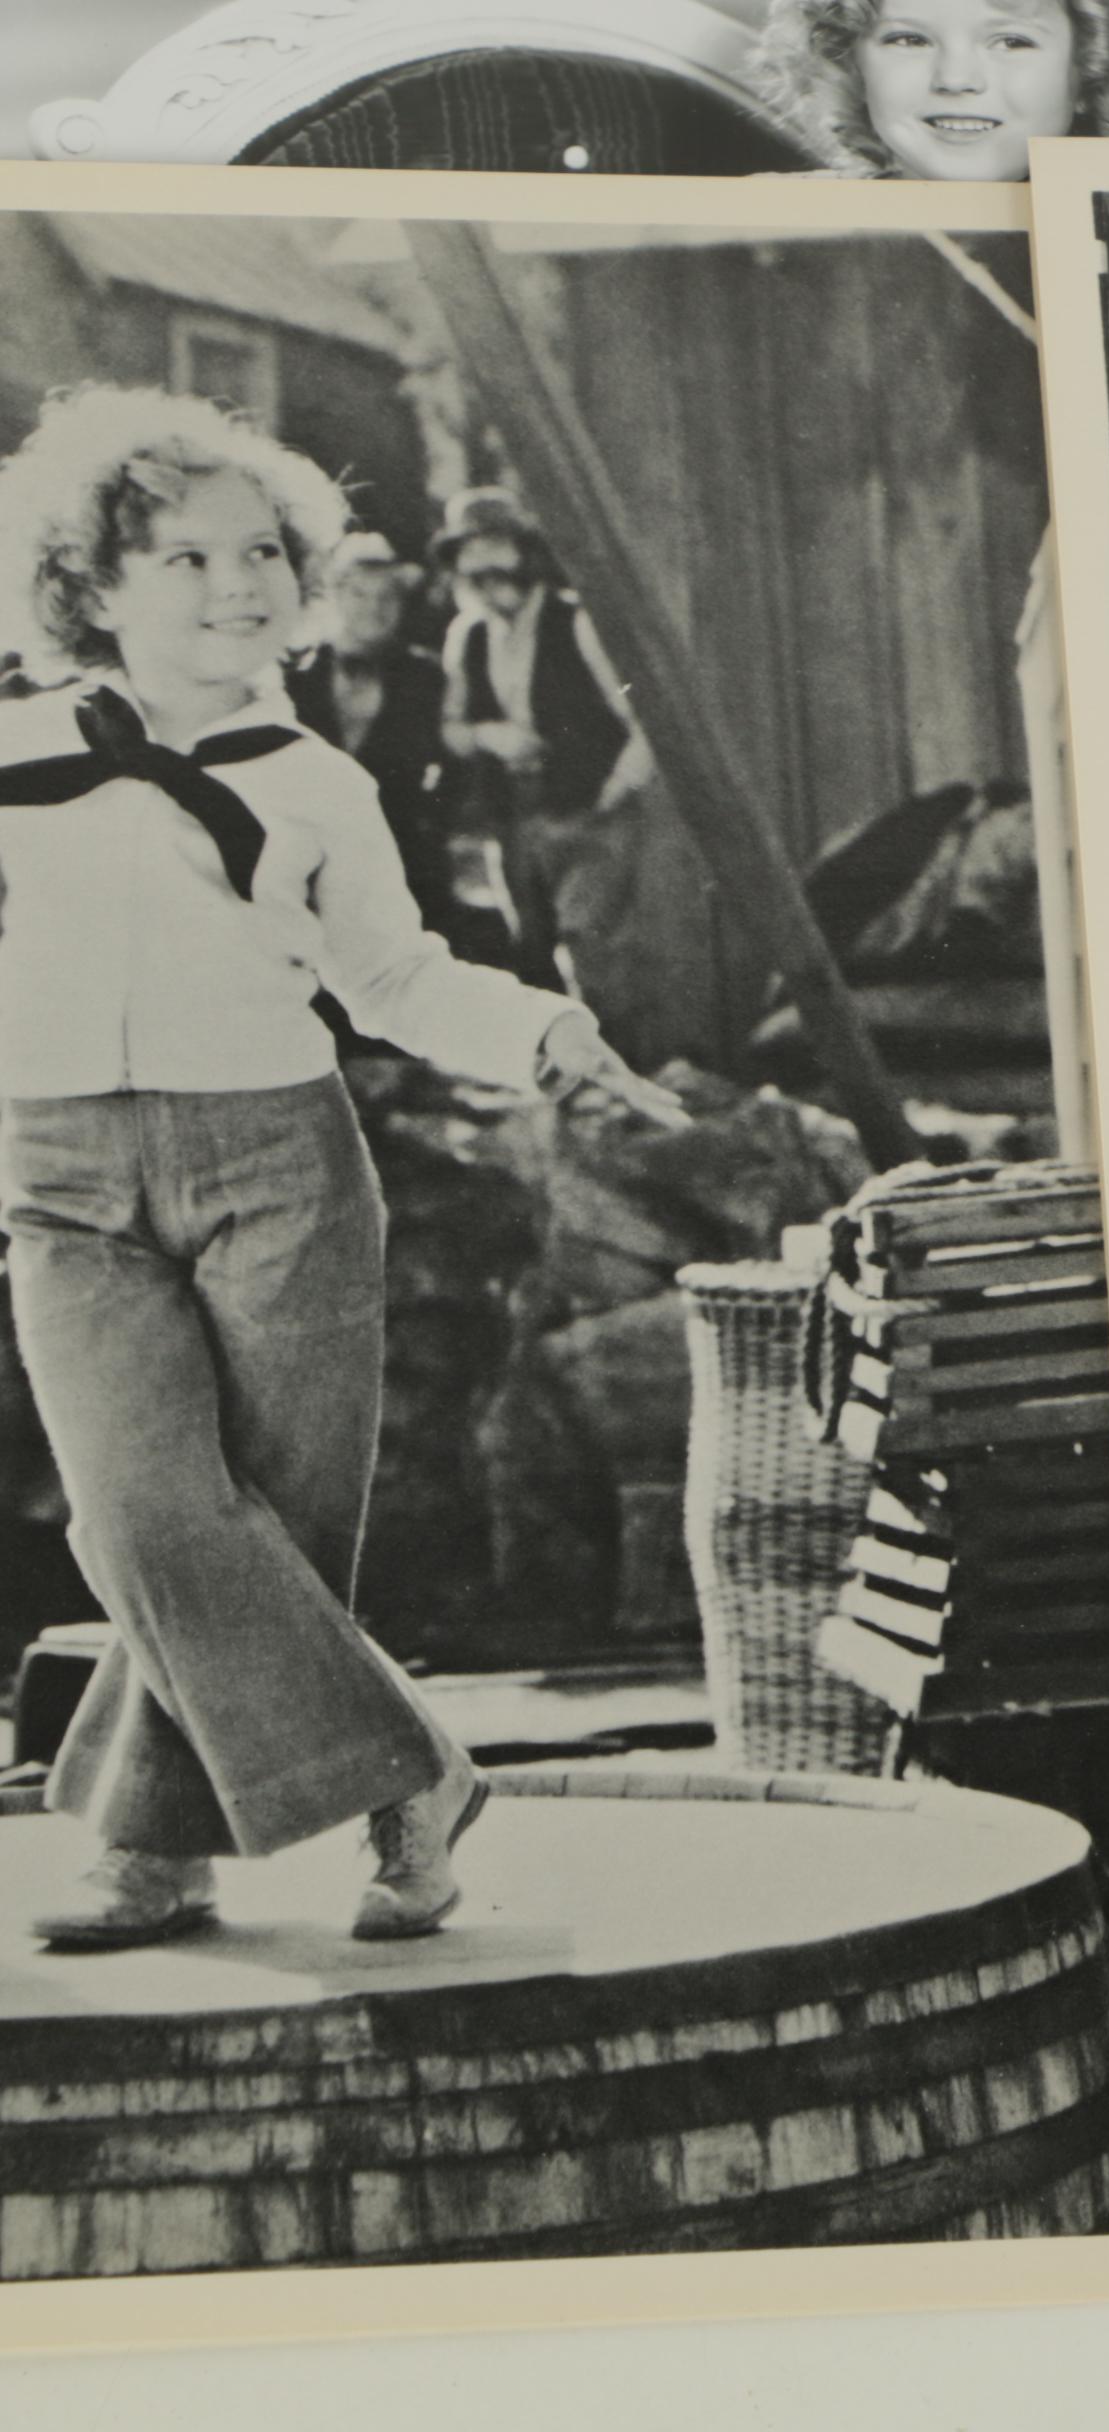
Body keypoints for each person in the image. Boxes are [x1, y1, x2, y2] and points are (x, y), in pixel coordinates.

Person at [0, 388, 685, 1951]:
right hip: (58, 1175)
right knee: (142, 1519)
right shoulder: (12, 755)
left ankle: (154, 1856)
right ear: (93, 584)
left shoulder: (317, 782)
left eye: (261, 553)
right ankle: (419, 1777)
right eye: (185, 558)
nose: (237, 585)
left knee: (269, 1534)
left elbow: (394, 978)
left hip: (280, 1173)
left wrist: (547, 1035)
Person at [432, 487, 648, 995]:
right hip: (513, 819)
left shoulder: (577, 622)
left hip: (589, 814)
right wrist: (488, 736)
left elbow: (642, 717)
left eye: (497, 551)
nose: (487, 577)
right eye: (472, 558)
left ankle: (622, 1063)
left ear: (526, 554)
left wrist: (615, 789)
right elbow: (451, 729)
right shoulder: (467, 636)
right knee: (533, 954)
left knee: (590, 950)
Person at [286, 528, 475, 950]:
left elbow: (457, 765)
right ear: (334, 597)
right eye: (360, 595)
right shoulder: (292, 674)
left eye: (387, 596)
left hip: (400, 856)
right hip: (303, 858)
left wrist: (430, 825)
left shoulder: (425, 676)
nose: (375, 608)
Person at [752, 0, 1109, 180]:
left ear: (1091, 68)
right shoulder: (778, 216)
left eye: (1012, 42)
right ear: (851, 66)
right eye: (910, 40)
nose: (956, 79)